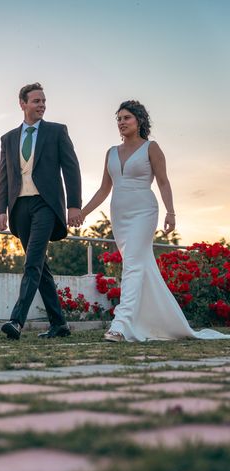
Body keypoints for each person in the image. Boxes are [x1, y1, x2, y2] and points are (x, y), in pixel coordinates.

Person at [81, 100, 230, 342]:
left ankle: (120, 324)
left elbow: (163, 181)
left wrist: (171, 212)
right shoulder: (110, 152)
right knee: (141, 265)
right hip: (119, 214)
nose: (121, 122)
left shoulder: (151, 147)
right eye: (118, 119)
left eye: (126, 117)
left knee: (133, 264)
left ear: (139, 120)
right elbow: (103, 189)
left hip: (144, 211)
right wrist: (84, 212)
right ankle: (163, 321)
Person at [0, 82, 83, 340]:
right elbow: (3, 176)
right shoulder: (8, 138)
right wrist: (2, 209)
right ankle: (59, 324)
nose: (42, 105)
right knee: (40, 268)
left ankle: (16, 321)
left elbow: (71, 167)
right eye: (36, 101)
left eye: (44, 101)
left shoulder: (57, 132)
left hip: (46, 204)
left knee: (32, 261)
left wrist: (74, 205)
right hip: (20, 206)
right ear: (23, 104)